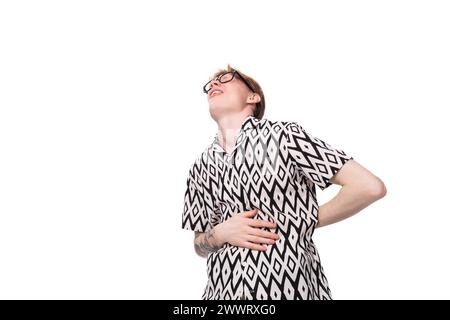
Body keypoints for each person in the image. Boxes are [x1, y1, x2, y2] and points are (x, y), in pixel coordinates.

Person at [180, 64, 387, 300]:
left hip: (289, 290)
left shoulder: (286, 137)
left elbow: (368, 186)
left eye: (226, 78)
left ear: (253, 97)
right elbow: (199, 244)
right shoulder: (199, 166)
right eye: (210, 83)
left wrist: (298, 220)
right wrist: (219, 233)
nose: (214, 84)